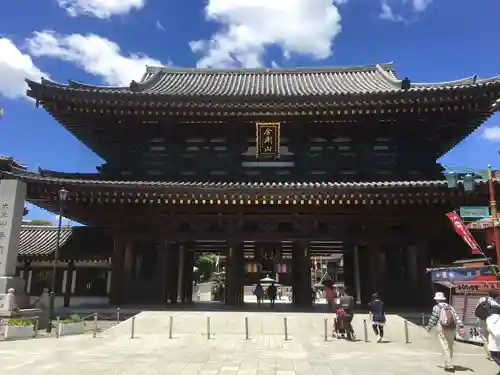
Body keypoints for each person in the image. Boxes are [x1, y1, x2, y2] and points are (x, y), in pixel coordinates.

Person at [426, 292, 464, 373]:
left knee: (445, 347)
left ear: (437, 300)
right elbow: (456, 317)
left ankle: (449, 365)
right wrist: (460, 325)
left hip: (442, 329)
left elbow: (433, 319)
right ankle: (448, 363)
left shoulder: (436, 307)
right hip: (451, 328)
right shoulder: (450, 307)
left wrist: (429, 327)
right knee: (450, 346)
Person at [475, 291, 500, 372]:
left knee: (486, 340)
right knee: (493, 342)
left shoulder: (482, 299)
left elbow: (477, 311)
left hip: (487, 322)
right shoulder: (496, 304)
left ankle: (490, 354)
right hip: (494, 324)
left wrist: (478, 325)